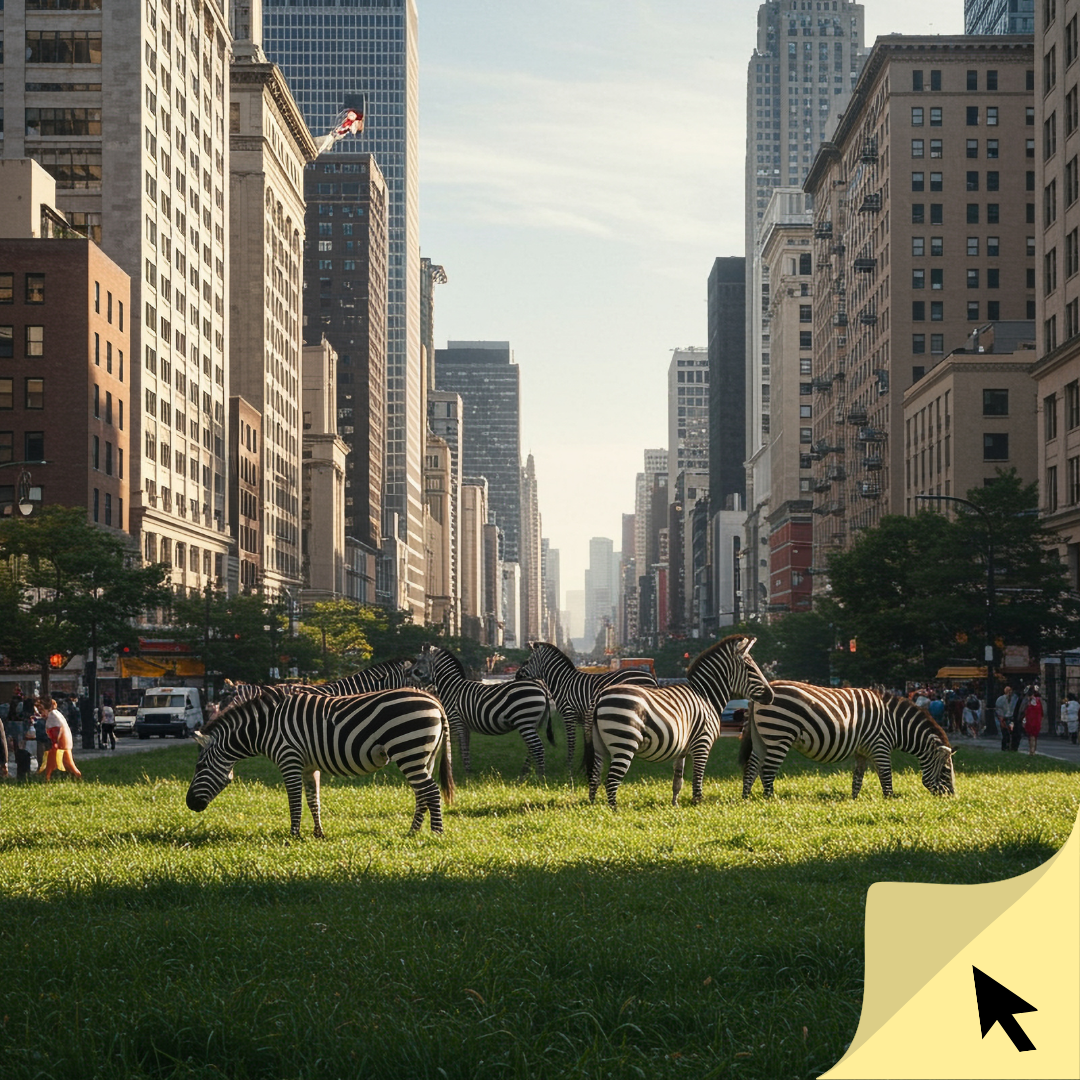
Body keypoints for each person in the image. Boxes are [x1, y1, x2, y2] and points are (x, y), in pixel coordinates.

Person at [36, 697, 82, 781]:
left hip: (61, 744)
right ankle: (47, 777)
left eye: (41, 711)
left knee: (66, 764)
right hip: (64, 743)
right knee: (63, 763)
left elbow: (56, 729)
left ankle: (47, 777)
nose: (41, 714)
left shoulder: (52, 716)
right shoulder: (56, 713)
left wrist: (54, 742)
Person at [1023, 687, 1044, 756]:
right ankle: (1032, 750)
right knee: (1032, 736)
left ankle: (1032, 750)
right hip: (1033, 720)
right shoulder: (1037, 701)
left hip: (1033, 720)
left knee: (1032, 736)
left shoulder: (1033, 702)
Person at [1011, 687, 1030, 752]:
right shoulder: (1022, 699)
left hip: (1018, 718)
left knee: (1017, 733)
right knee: (1016, 733)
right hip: (1017, 718)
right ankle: (1014, 747)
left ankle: (1014, 747)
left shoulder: (1021, 699)